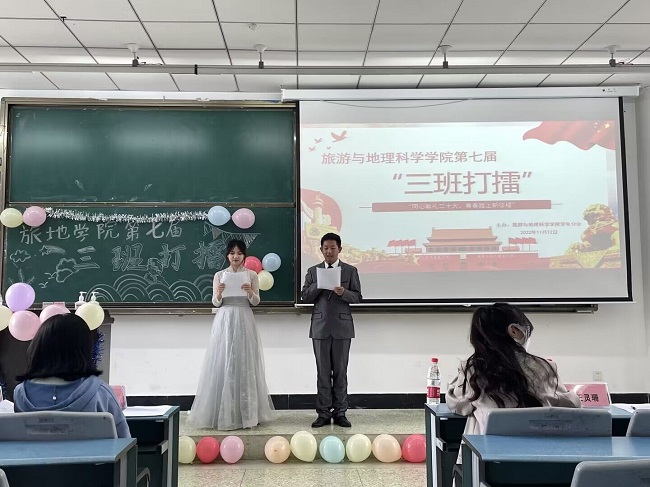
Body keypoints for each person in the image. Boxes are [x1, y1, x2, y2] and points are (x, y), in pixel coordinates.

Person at [446, 302, 580, 470]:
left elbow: (459, 405)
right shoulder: (543, 367)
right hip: (537, 465)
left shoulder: (473, 368)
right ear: (514, 331)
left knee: (475, 419)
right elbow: (571, 405)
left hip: (487, 468)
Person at [188, 239, 275, 430]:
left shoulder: (251, 274)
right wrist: (219, 293)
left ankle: (248, 413)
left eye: (239, 253)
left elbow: (256, 302)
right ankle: (224, 412)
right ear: (227, 255)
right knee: (224, 359)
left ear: (244, 255)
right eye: (232, 253)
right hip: (225, 319)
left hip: (244, 317)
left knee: (245, 361)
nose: (236, 256)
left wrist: (250, 291)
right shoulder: (219, 275)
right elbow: (215, 302)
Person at [13, 313, 130, 438]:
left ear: (38, 348)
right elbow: (125, 442)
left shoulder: (20, 394)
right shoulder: (100, 392)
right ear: (84, 349)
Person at [301, 232, 362, 428]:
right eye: (325, 248)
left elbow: (358, 297)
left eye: (332, 248)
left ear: (339, 249)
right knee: (323, 372)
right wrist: (318, 284)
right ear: (321, 250)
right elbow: (305, 296)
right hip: (320, 328)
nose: (329, 251)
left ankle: (341, 412)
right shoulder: (313, 271)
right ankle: (324, 413)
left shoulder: (350, 271)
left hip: (342, 328)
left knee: (341, 372)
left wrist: (344, 293)